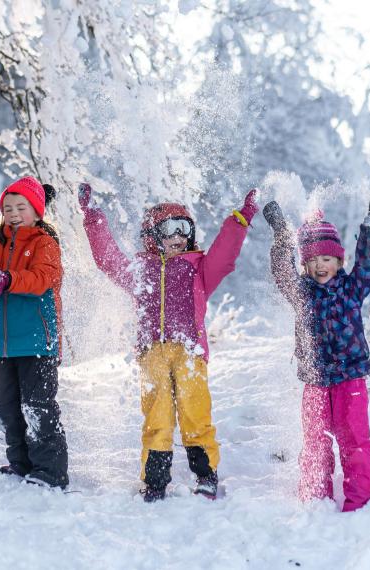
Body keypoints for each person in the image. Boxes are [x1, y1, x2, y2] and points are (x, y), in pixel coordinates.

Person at [78, 182, 258, 501]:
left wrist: (241, 218)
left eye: (184, 228)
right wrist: (93, 217)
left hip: (189, 351)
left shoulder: (199, 268)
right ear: (152, 235)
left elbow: (225, 254)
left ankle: (205, 474)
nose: (178, 236)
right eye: (170, 229)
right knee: (157, 417)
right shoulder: (140, 269)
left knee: (195, 413)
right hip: (152, 354)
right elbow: (108, 259)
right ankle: (155, 481)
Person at [263, 193, 370, 512]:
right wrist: (282, 235)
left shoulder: (352, 288)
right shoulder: (301, 293)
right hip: (315, 382)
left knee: (354, 438)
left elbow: (369, 264)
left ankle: (361, 499)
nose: (320, 265)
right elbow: (283, 274)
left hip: (351, 380)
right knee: (315, 441)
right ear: (305, 263)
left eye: (327, 258)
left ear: (339, 260)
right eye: (313, 259)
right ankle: (316, 498)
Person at [0, 176, 68, 489]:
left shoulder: (44, 244)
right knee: (4, 406)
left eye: (21, 207)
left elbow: (41, 280)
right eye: (8, 208)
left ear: (37, 211)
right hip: (3, 343)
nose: (14, 213)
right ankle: (21, 463)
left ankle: (50, 471)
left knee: (37, 407)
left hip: (37, 340)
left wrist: (7, 280)